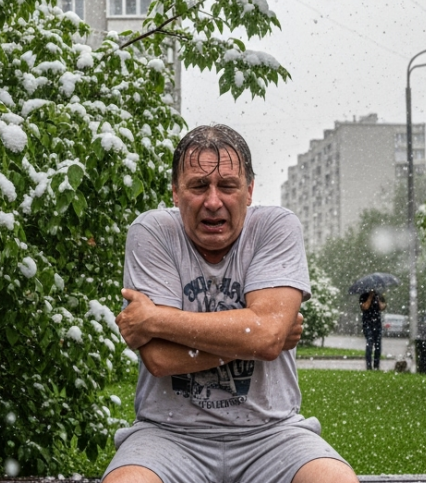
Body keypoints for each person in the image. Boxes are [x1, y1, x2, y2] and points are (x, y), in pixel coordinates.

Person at [108, 124, 357, 483]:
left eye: (227, 185)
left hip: (272, 434)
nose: (213, 202)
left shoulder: (275, 227)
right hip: (167, 436)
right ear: (176, 193)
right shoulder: (153, 232)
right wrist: (255, 338)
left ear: (249, 190)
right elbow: (160, 359)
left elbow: (267, 337)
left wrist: (156, 321)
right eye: (197, 186)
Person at [359, 290, 386, 371]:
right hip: (367, 324)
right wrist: (370, 297)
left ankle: (376, 366)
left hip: (377, 324)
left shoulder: (379, 295)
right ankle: (368, 366)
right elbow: (365, 307)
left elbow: (382, 307)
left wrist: (377, 299)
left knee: (378, 346)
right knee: (369, 344)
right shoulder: (363, 296)